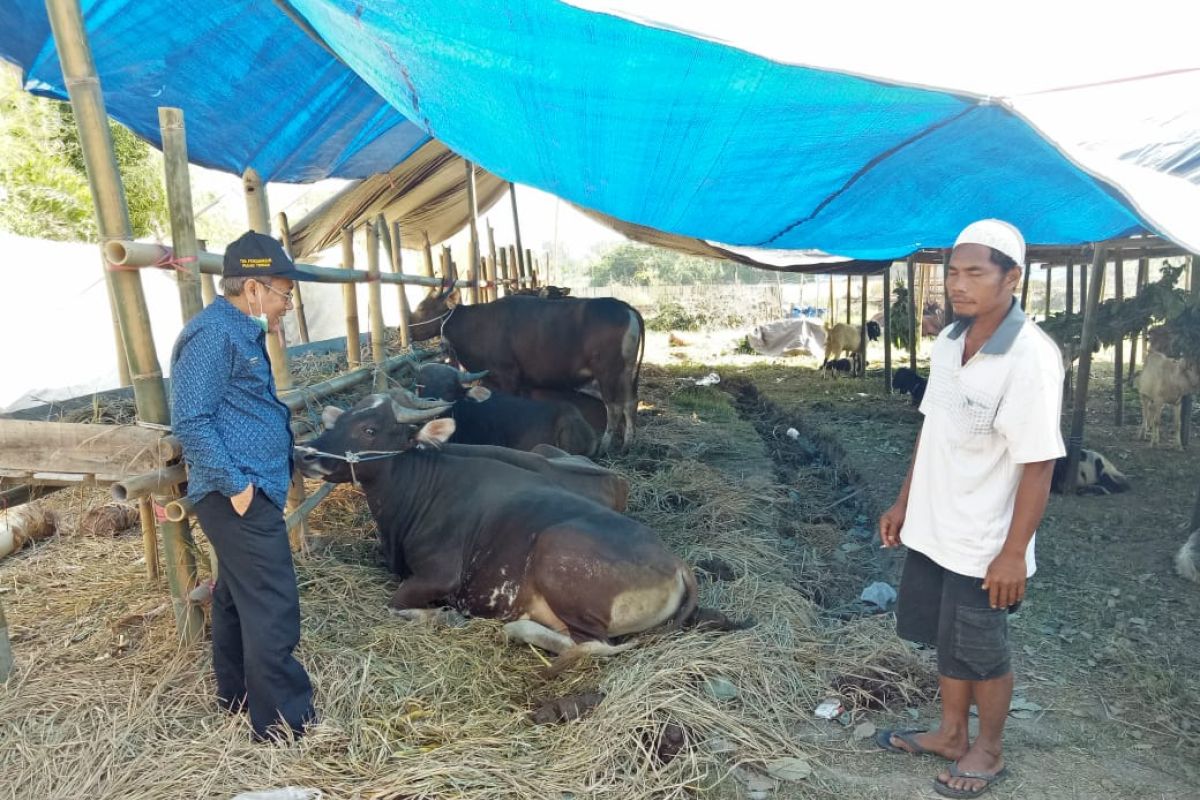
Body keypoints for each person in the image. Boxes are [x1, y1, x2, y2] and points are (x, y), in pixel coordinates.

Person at [876, 220, 1064, 798]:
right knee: (946, 635)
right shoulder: (950, 341)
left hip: (985, 537)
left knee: (981, 647)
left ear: (1013, 277)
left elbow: (1038, 464)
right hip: (936, 523)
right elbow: (932, 427)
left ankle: (990, 748)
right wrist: (906, 502)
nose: (959, 285)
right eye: (953, 272)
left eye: (975, 273)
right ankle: (952, 733)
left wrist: (1012, 553)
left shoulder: (1030, 356)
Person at [170, 230, 316, 742]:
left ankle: (237, 696)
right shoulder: (213, 335)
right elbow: (191, 419)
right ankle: (283, 723)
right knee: (272, 602)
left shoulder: (238, 331)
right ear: (252, 287)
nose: (285, 305)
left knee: (234, 595)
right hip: (236, 494)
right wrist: (237, 486)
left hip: (252, 488)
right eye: (282, 293)